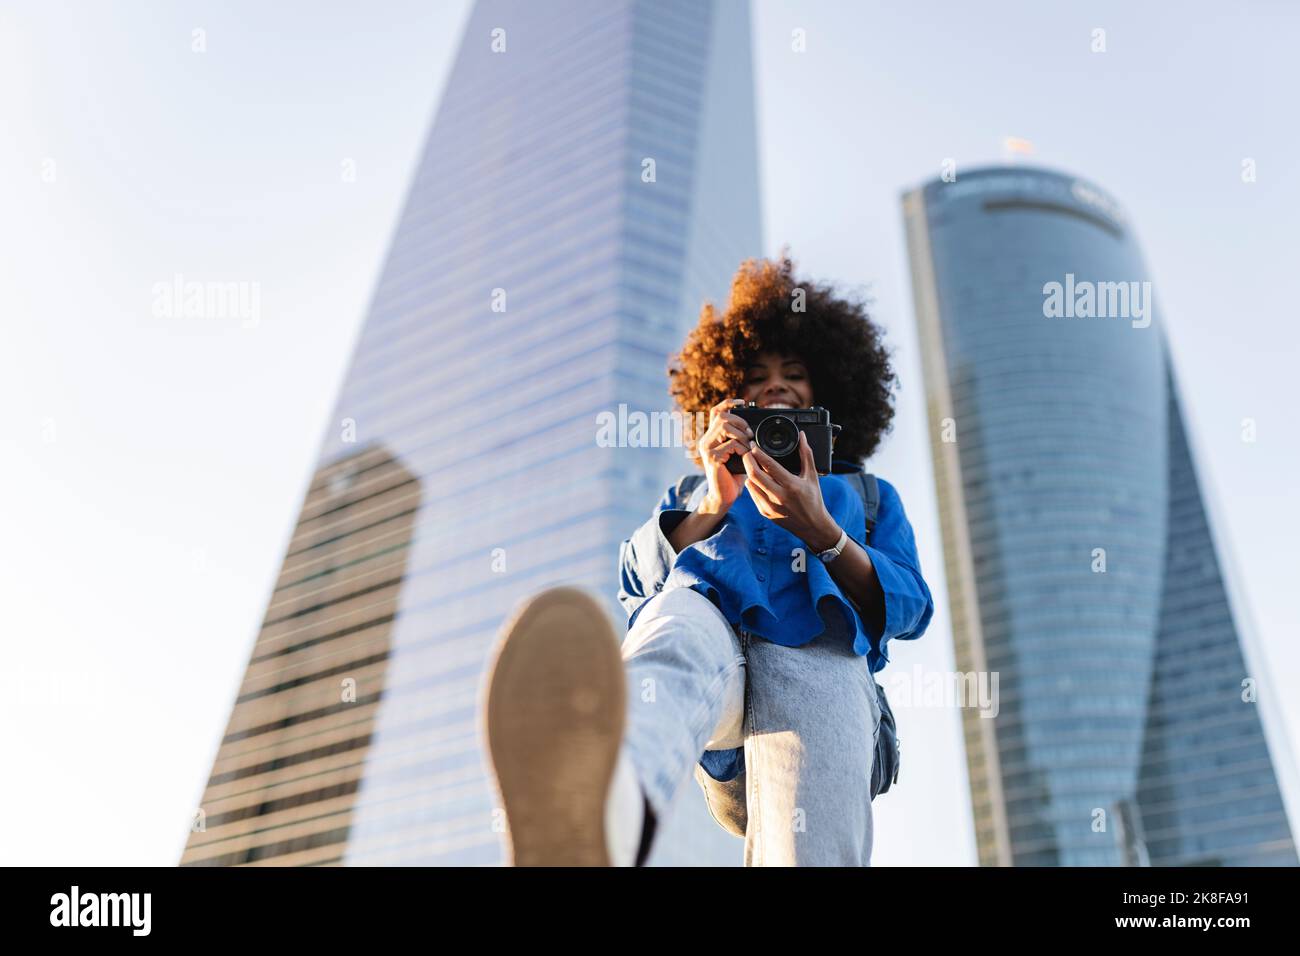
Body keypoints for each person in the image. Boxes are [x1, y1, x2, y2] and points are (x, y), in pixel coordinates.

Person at [483, 254, 933, 866]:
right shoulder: (695, 490)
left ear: (824, 393)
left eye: (794, 374)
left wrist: (821, 530)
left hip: (821, 658)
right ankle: (604, 814)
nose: (774, 384)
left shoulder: (868, 494)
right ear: (729, 394)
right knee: (674, 630)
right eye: (756, 375)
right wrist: (716, 499)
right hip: (714, 638)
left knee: (809, 847)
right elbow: (637, 582)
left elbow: (911, 605)